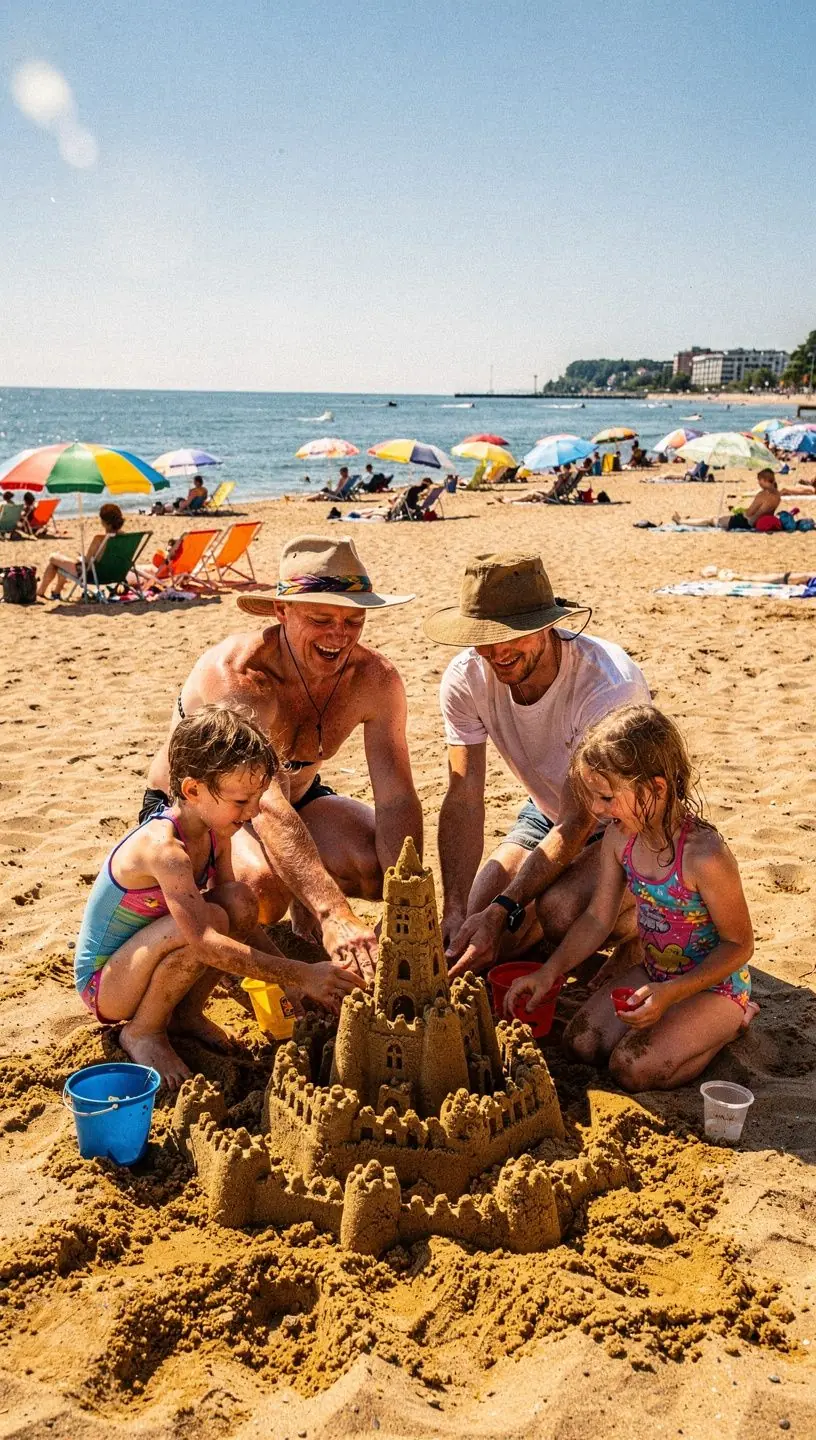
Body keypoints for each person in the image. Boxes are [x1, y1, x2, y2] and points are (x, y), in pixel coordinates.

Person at [143, 535, 423, 981]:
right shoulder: (239, 677)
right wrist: (334, 911)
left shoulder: (375, 677)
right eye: (321, 618)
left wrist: (405, 901)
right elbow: (266, 804)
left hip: (297, 796)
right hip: (203, 810)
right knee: (259, 890)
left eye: (354, 620)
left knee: (380, 870)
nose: (339, 635)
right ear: (281, 611)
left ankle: (305, 919)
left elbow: (396, 799)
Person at [75, 706, 359, 1090]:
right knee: (202, 926)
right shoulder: (165, 849)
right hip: (105, 985)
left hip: (143, 959)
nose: (253, 811)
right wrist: (302, 973)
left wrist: (287, 979)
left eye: (257, 799)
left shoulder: (215, 833)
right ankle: (143, 1031)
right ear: (192, 790)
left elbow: (239, 917)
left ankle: (186, 1016)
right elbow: (207, 945)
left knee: (239, 902)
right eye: (241, 801)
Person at [424, 551, 651, 978]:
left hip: (624, 819)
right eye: (485, 635)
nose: (499, 650)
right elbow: (464, 795)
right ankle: (536, 930)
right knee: (473, 929)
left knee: (560, 910)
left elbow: (579, 822)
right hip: (546, 812)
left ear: (549, 624)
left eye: (515, 633)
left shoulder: (606, 686)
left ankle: (645, 927)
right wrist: (455, 910)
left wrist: (504, 908)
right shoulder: (465, 678)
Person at [504, 705, 755, 1091]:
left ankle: (733, 1024)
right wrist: (548, 972)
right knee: (581, 1044)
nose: (597, 811)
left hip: (713, 986)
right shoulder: (620, 839)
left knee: (631, 1068)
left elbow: (740, 945)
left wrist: (672, 994)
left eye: (606, 798)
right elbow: (597, 919)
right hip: (655, 974)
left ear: (655, 789)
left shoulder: (705, 856)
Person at [36, 502, 125, 600]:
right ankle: (56, 593)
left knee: (53, 557)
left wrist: (81, 559)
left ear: (104, 522)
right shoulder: (126, 538)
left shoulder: (99, 539)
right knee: (58, 564)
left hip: (93, 575)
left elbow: (87, 563)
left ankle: (41, 592)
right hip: (115, 574)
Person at [672, 468, 780, 529]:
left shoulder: (762, 495)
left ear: (764, 480)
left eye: (759, 480)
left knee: (711, 520)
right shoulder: (777, 496)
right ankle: (684, 520)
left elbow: (750, 513)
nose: (758, 483)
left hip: (745, 522)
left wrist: (740, 510)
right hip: (754, 522)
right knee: (714, 518)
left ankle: (681, 521)